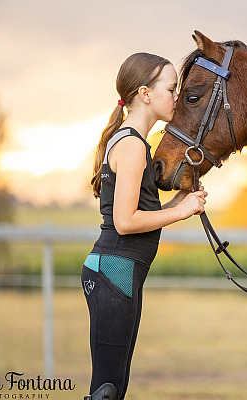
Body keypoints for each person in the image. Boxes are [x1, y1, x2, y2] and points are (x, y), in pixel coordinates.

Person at [81, 53, 207, 400]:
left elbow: (136, 215)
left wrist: (177, 204)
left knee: (112, 388)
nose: (177, 97)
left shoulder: (129, 140)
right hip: (114, 271)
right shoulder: (134, 146)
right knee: (107, 390)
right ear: (146, 94)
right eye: (171, 88)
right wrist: (181, 214)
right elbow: (125, 222)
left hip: (115, 270)